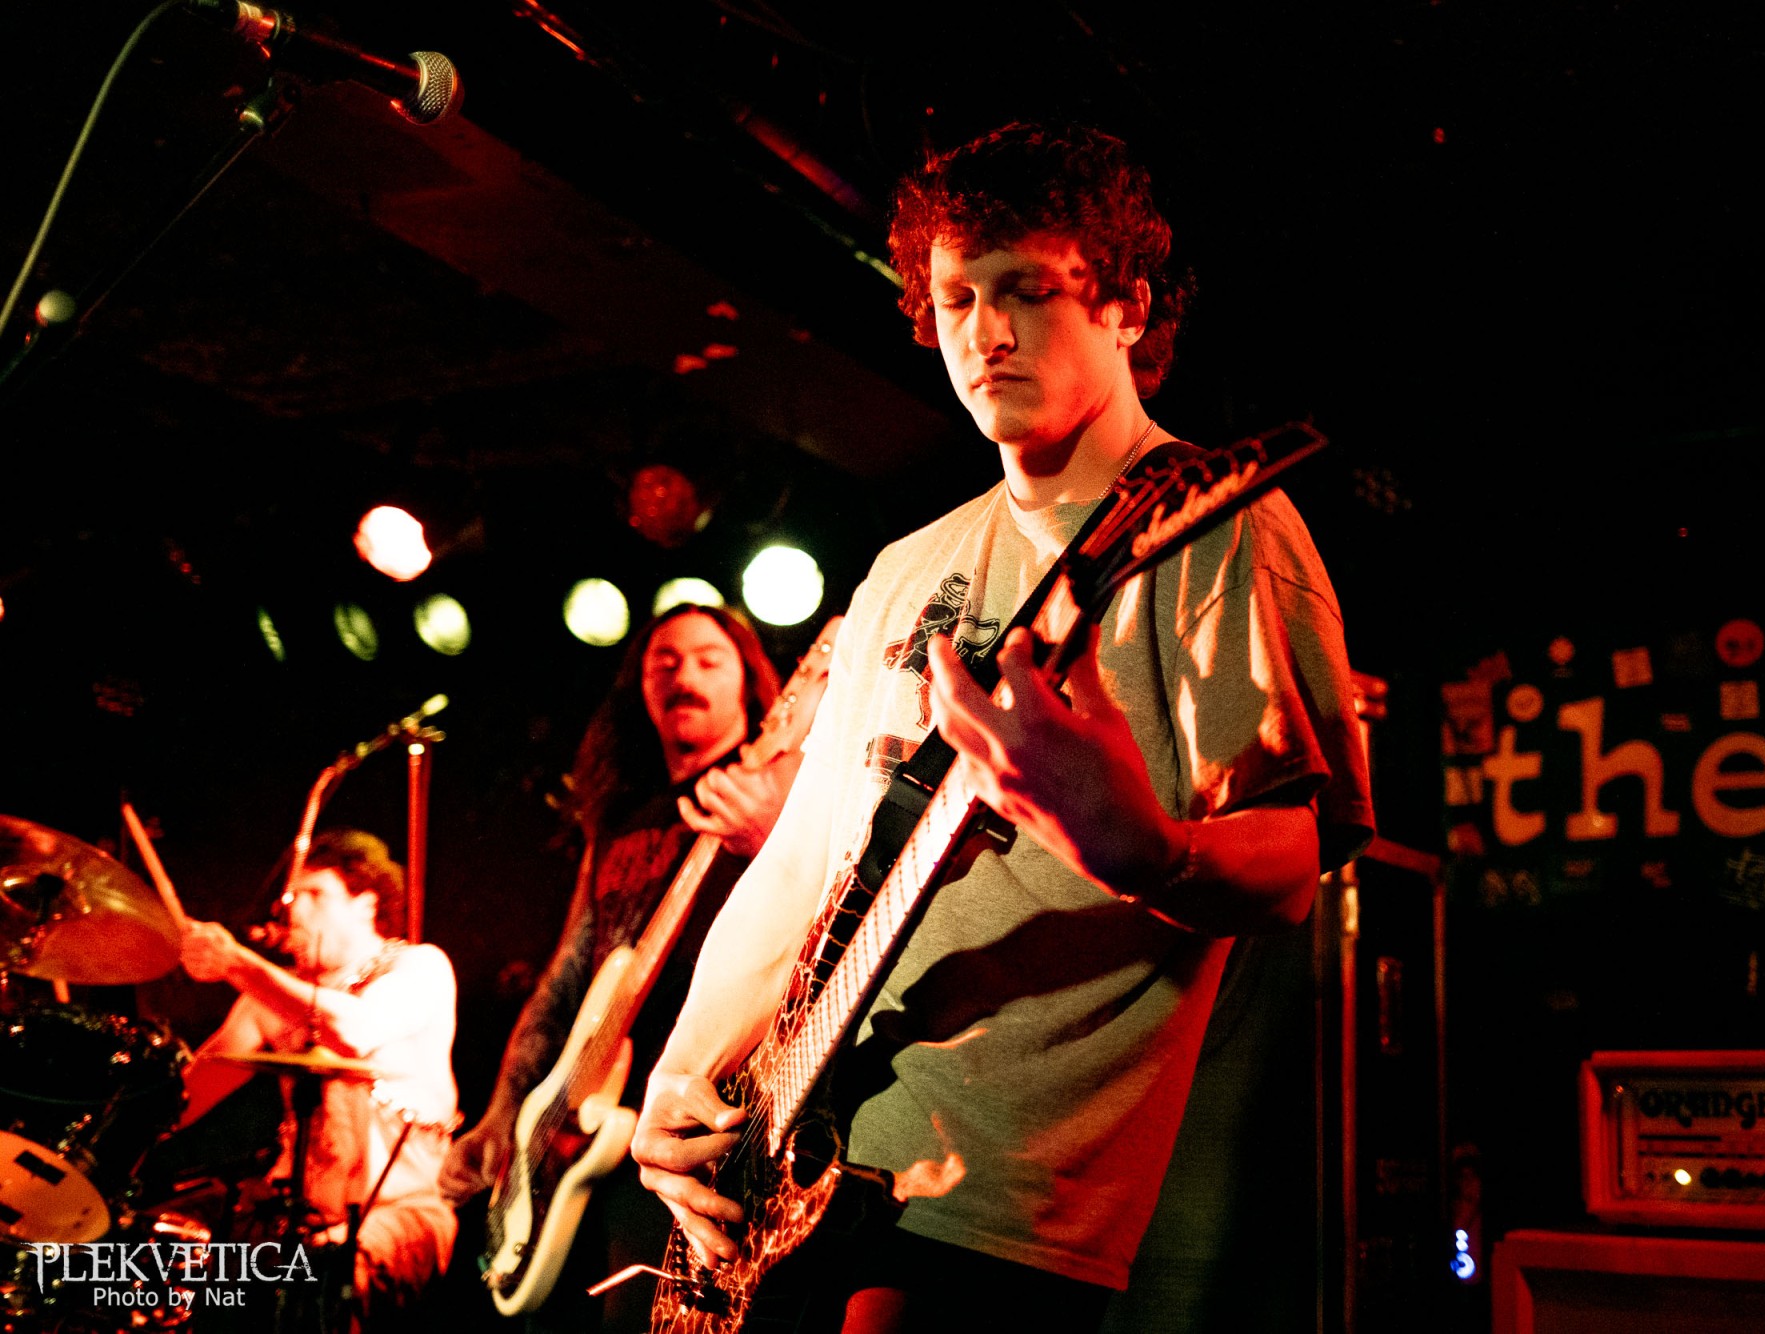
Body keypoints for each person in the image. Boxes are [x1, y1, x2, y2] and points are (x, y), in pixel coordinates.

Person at [629, 123, 1376, 1333]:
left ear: (1127, 305)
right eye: (956, 298)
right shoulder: (901, 568)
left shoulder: (1219, 529)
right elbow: (801, 863)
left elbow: (1292, 860)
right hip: (791, 1151)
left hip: (991, 1198)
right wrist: (678, 1071)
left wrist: (1145, 849)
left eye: (1026, 288)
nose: (983, 333)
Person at [437, 602, 795, 1330]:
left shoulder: (776, 787)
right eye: (665, 662)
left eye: (708, 660)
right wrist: (504, 1116)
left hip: (697, 1125)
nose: (685, 676)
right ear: (639, 689)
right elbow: (568, 974)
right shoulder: (621, 819)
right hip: (578, 1130)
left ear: (751, 685)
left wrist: (769, 836)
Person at [178, 828, 459, 1327]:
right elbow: (187, 1095)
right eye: (293, 898)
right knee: (163, 1251)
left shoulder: (419, 969)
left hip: (395, 1216)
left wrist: (238, 964)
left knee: (322, 1281)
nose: (296, 912)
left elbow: (355, 1030)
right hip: (292, 1215)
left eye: (316, 895)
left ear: (366, 904)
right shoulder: (274, 996)